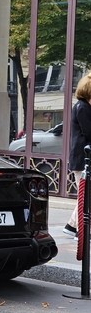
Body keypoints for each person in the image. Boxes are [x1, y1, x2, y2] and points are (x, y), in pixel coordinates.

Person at [65, 73, 91, 239]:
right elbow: (89, 132)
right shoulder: (82, 108)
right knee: (86, 196)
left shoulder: (86, 107)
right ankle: (81, 232)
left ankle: (72, 226)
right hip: (82, 159)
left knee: (86, 196)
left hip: (84, 158)